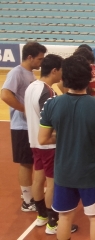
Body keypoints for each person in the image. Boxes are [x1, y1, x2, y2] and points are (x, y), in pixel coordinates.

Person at [38, 55, 95, 240]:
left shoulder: (52, 104)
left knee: (64, 217)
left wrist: (66, 134)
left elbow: (43, 139)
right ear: (89, 79)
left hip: (64, 173)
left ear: (64, 79)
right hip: (92, 175)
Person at [25, 54, 79, 234]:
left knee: (38, 177)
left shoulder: (31, 87)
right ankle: (53, 223)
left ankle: (41, 215)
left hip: (34, 140)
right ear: (55, 70)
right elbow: (51, 121)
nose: (62, 75)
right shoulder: (48, 92)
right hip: (48, 144)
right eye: (61, 71)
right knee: (53, 183)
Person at [1, 42, 47, 211]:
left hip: (30, 126)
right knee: (26, 163)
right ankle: (27, 201)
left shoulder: (29, 74)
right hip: (21, 126)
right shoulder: (16, 73)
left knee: (32, 161)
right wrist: (24, 109)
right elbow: (5, 94)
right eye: (39, 59)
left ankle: (30, 194)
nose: (41, 62)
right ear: (30, 57)